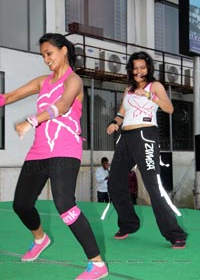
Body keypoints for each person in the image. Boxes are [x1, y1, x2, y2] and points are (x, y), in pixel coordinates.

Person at [0, 33, 108, 280]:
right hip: (38, 151)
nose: (46, 59)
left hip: (65, 150)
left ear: (63, 51)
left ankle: (97, 264)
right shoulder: (42, 82)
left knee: (65, 206)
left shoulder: (75, 81)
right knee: (21, 205)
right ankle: (40, 238)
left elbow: (63, 105)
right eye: (43, 55)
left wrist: (32, 120)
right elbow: (9, 97)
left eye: (49, 53)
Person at [106, 51, 187, 248]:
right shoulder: (128, 89)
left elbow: (169, 108)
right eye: (136, 68)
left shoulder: (155, 85)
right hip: (126, 138)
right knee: (114, 182)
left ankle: (175, 233)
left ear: (148, 68)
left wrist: (150, 95)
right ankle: (128, 223)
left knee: (152, 185)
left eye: (143, 67)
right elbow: (122, 113)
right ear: (130, 69)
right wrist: (114, 123)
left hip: (145, 136)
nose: (139, 71)